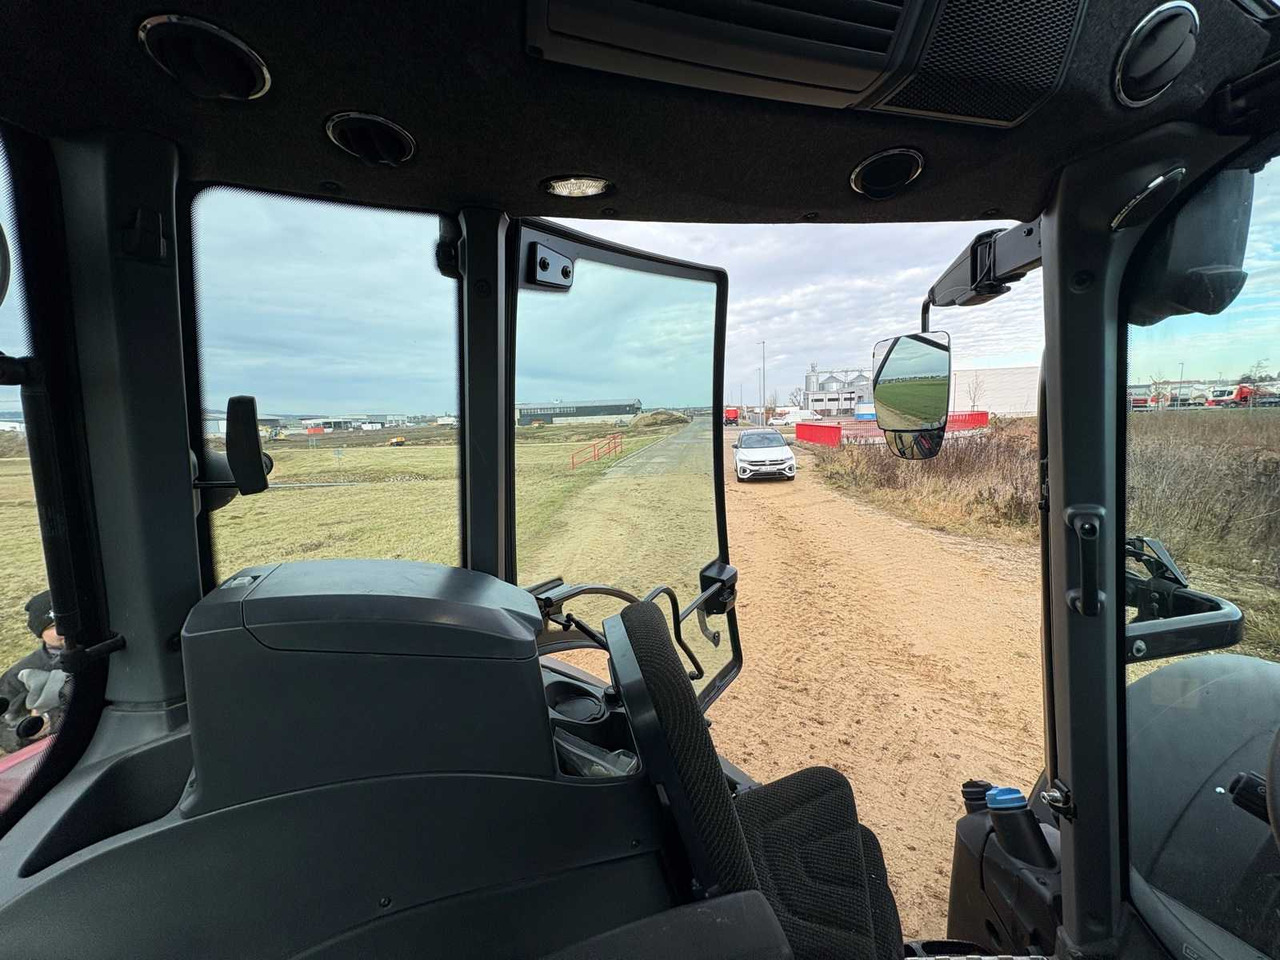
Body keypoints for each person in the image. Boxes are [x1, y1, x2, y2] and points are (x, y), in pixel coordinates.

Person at [0, 591, 70, 753]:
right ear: (39, 633)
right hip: (43, 751)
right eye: (53, 626)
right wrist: (24, 734)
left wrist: (52, 719)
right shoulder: (21, 672)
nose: (63, 629)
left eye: (66, 621)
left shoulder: (100, 652)